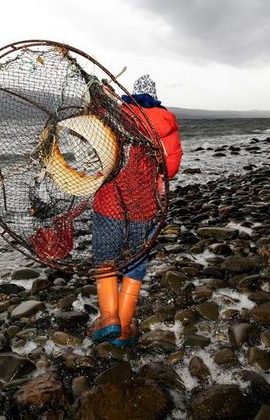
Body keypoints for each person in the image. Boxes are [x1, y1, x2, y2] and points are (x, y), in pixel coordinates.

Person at [89, 74, 182, 347]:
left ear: (131, 94)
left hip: (110, 201)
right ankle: (125, 328)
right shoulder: (167, 125)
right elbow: (171, 170)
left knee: (105, 259)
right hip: (146, 205)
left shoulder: (117, 114)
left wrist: (101, 95)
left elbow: (98, 145)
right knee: (136, 262)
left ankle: (109, 319)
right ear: (155, 97)